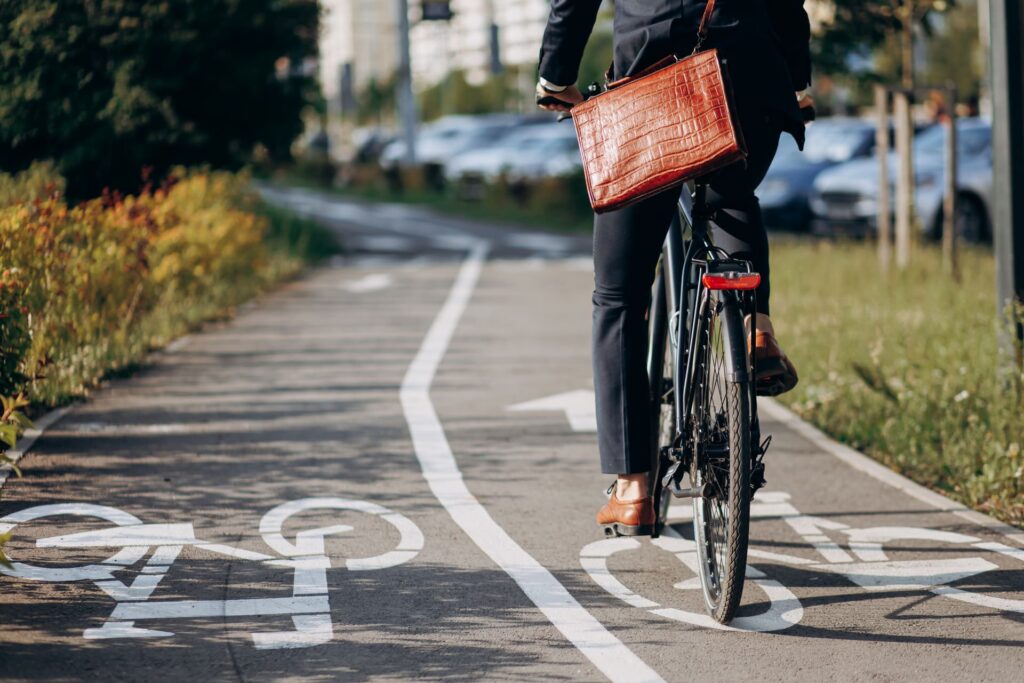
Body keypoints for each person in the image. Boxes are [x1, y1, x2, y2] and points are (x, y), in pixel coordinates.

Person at [536, 0, 814, 535]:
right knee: (731, 193)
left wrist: (556, 76)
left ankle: (633, 488)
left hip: (652, 81)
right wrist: (798, 84)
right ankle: (755, 329)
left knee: (618, 297)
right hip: (751, 73)